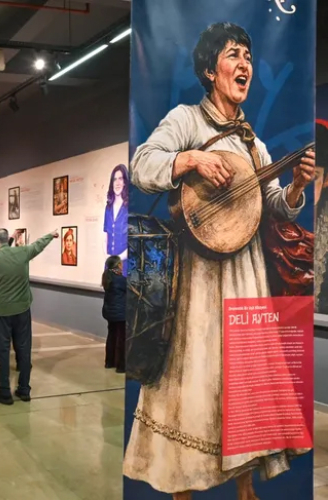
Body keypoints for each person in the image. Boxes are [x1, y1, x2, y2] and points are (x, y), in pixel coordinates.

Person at [123, 23, 315, 499]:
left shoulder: (253, 141)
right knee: (194, 374)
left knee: (244, 379)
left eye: (248, 56)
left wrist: (295, 187)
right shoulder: (187, 119)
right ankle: (182, 488)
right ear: (211, 71)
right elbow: (142, 164)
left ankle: (245, 488)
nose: (244, 64)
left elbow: (272, 205)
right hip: (199, 282)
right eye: (233, 55)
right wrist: (190, 160)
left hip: (247, 278)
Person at [0, 228, 58, 405]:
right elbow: (38, 245)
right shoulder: (23, 252)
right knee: (24, 349)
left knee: (3, 351)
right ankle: (24, 389)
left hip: (1, 312)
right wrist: (50, 235)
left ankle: (4, 391)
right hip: (22, 310)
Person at [101, 256, 126, 373]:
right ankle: (121, 366)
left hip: (110, 312)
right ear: (118, 265)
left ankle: (109, 362)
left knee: (111, 336)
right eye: (121, 263)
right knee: (121, 339)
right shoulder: (121, 280)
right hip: (121, 314)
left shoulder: (107, 277)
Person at [104, 164, 129, 275]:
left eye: (120, 179)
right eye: (114, 179)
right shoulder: (108, 208)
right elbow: (105, 236)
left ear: (125, 182)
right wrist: (106, 257)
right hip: (109, 265)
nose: (117, 183)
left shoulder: (130, 207)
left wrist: (118, 259)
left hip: (125, 265)